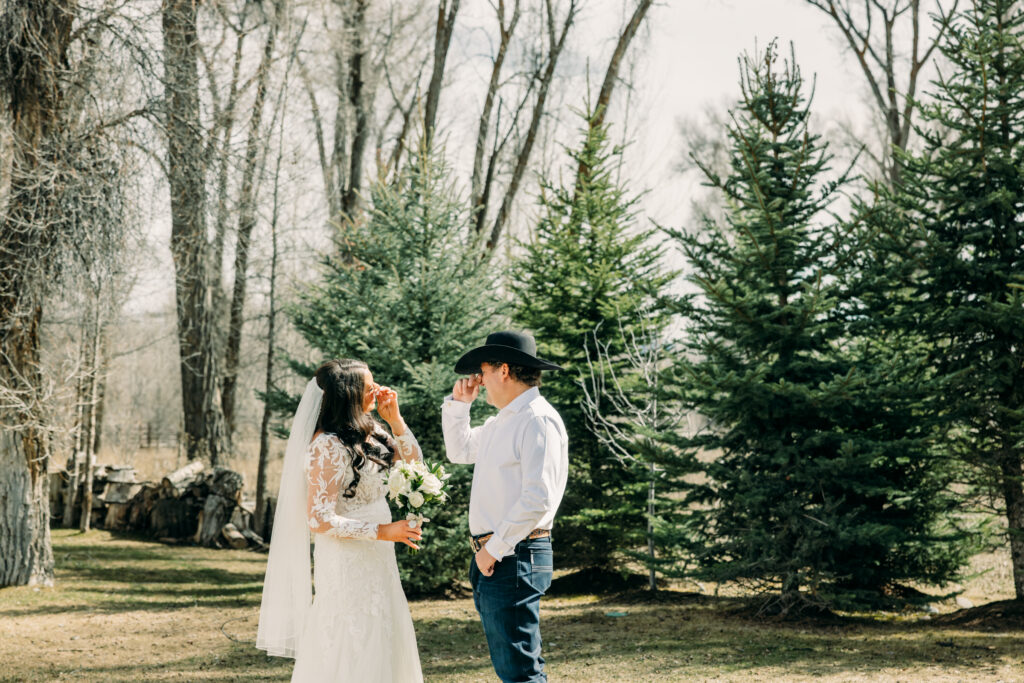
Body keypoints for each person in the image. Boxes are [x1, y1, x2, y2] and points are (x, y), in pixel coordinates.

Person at [257, 359, 424, 682]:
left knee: (383, 627)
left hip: (378, 557)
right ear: (349, 395)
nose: (376, 390)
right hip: (347, 560)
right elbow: (318, 520)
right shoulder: (327, 446)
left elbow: (414, 464)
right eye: (368, 386)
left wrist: (396, 420)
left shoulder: (370, 430)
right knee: (352, 635)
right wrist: (382, 531)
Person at [441, 330, 569, 683]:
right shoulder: (503, 421)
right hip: (498, 557)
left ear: (504, 371)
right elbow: (460, 451)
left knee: (520, 672)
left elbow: (538, 497)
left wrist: (493, 550)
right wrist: (460, 406)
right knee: (512, 667)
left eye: (483, 369)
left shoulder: (537, 419)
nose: (478, 379)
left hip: (515, 555)